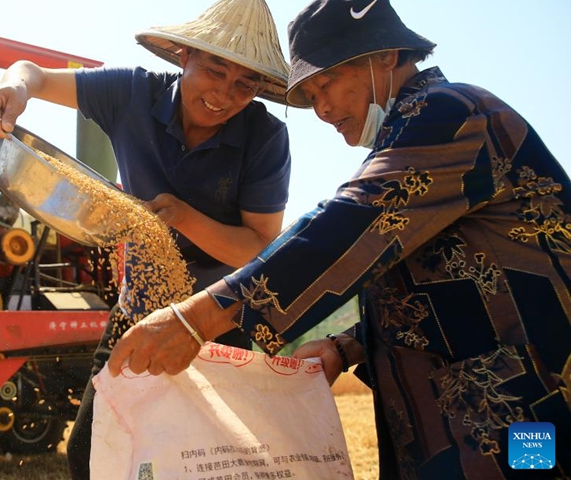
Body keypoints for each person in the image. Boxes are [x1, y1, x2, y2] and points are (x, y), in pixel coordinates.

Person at [108, 0, 571, 478]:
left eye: (326, 83)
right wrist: (346, 346)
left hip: (522, 407)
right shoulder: (406, 137)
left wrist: (195, 318)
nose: (322, 109)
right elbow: (413, 285)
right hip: (452, 415)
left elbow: (341, 230)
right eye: (310, 95)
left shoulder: (452, 114)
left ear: (385, 57)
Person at [0, 0, 292, 477]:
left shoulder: (265, 136)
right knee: (92, 451)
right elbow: (33, 73)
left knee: (214, 459)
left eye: (245, 84)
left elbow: (258, 247)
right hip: (139, 309)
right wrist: (13, 89)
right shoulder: (132, 94)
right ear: (185, 56)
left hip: (222, 319)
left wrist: (181, 216)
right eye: (215, 69)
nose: (223, 95)